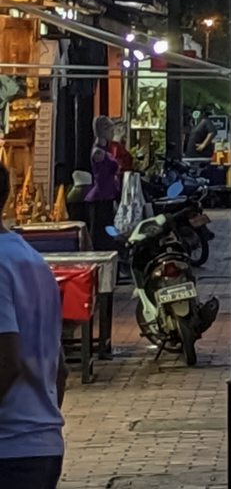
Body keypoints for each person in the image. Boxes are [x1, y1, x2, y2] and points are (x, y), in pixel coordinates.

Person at [0, 163, 63, 489]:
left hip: (9, 449)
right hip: (42, 443)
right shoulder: (33, 260)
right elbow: (60, 368)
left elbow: (7, 361)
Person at [77, 119, 120, 251]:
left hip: (107, 195)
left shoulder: (104, 150)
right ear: (103, 131)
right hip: (101, 195)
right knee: (102, 231)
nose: (113, 134)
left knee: (107, 229)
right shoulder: (98, 152)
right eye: (111, 131)